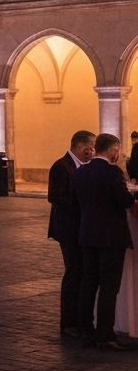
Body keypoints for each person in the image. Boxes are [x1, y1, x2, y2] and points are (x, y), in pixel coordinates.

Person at [74, 133, 137, 350]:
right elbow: (125, 200)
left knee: (88, 283)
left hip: (87, 235)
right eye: (117, 150)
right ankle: (105, 334)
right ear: (113, 150)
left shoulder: (81, 171)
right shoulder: (112, 172)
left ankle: (85, 331)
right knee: (109, 287)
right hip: (111, 237)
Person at [47, 130, 96, 339]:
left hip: (81, 228)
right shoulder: (62, 166)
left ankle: (81, 318)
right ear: (80, 146)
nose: (93, 151)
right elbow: (55, 196)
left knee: (82, 272)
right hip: (68, 229)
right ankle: (68, 322)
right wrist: (82, 205)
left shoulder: (85, 166)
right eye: (91, 147)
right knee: (74, 272)